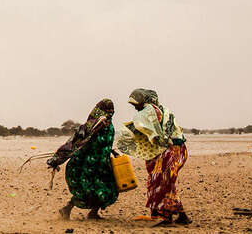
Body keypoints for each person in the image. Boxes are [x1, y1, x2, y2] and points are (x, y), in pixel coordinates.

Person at [118, 89, 191, 226]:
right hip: (178, 150)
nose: (136, 108)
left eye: (137, 104)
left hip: (170, 151)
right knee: (165, 182)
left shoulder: (150, 110)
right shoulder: (164, 112)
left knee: (162, 182)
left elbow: (143, 126)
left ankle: (165, 216)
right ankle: (180, 215)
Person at [47, 99, 118, 220]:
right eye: (107, 109)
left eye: (112, 110)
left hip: (102, 163)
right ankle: (67, 209)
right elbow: (76, 143)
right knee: (89, 190)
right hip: (88, 164)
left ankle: (93, 212)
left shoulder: (108, 124)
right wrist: (58, 159)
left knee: (108, 188)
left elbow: (102, 143)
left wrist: (111, 151)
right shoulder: (92, 125)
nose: (110, 112)